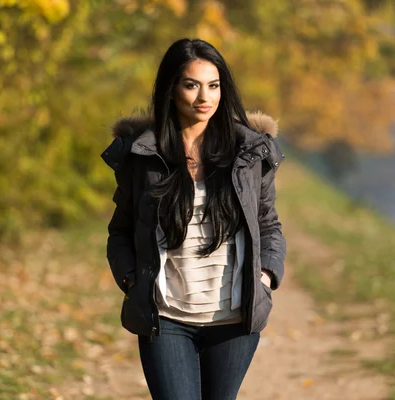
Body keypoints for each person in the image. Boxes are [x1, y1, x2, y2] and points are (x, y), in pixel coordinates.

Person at [100, 38, 286, 400]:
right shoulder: (143, 155)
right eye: (192, 85)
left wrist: (263, 277)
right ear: (171, 90)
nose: (205, 97)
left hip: (234, 321)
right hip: (165, 318)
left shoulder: (248, 153)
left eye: (213, 85)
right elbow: (120, 231)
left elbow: (269, 225)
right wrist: (131, 280)